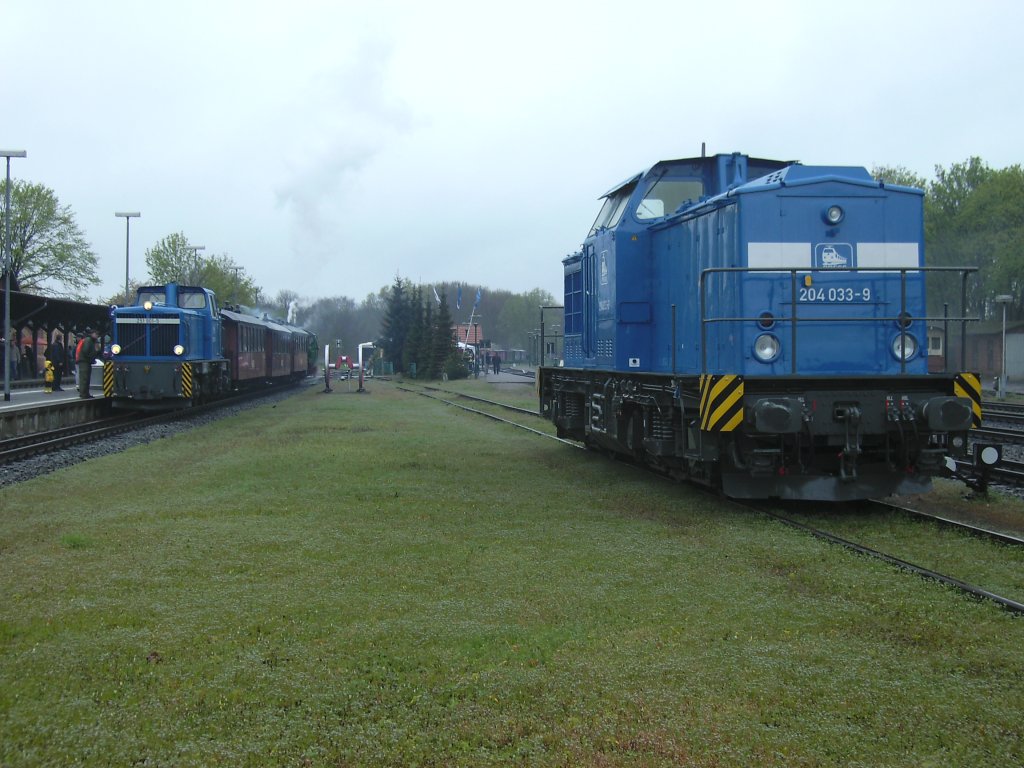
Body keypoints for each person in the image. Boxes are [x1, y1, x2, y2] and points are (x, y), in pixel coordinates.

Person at [76, 328, 101, 398]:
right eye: (96, 334)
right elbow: (85, 350)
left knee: (87, 378)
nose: (97, 336)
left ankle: (86, 393)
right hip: (84, 361)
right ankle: (83, 394)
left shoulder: (92, 341)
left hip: (87, 361)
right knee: (84, 378)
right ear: (92, 334)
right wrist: (91, 357)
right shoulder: (88, 340)